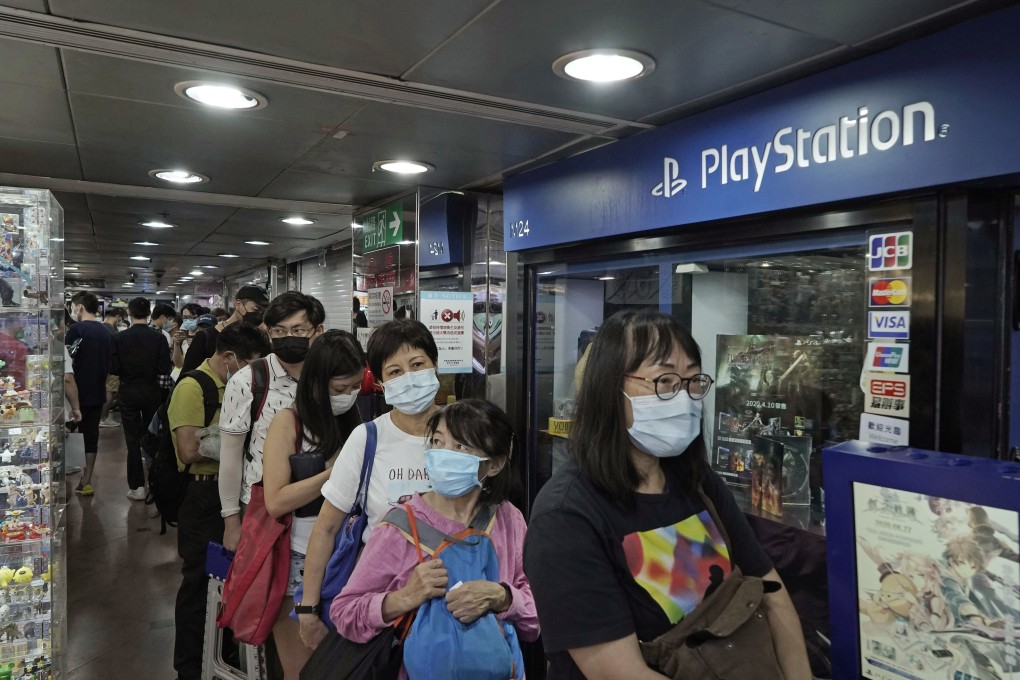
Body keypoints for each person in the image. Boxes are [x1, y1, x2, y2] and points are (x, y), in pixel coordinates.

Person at [523, 309, 811, 680]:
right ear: (608, 389)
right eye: (664, 380)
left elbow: (771, 593)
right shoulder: (565, 518)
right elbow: (621, 672)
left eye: (693, 380)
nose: (685, 397)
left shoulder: (696, 481)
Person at [332, 399, 540, 678]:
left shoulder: (508, 519)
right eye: (437, 442)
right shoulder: (399, 526)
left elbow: (538, 615)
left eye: (460, 447)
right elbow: (345, 613)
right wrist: (405, 597)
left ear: (494, 464)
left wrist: (502, 597)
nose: (443, 454)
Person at [297, 318, 442, 650]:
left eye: (417, 364)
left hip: (454, 601)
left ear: (435, 365)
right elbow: (326, 528)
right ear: (379, 382)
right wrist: (308, 609)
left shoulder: (467, 432)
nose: (408, 377)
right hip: (381, 609)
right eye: (394, 372)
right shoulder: (367, 439)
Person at [261, 330, 365, 678]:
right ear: (316, 382)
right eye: (340, 389)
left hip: (348, 558)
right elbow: (275, 501)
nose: (348, 397)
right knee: (302, 670)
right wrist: (333, 473)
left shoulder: (357, 425)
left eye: (354, 388)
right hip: (298, 560)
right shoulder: (287, 422)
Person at [171, 323, 271, 680]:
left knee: (234, 582)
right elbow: (187, 449)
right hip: (202, 497)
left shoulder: (242, 386)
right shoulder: (192, 386)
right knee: (199, 582)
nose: (254, 373)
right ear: (229, 358)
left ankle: (225, 654)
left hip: (237, 495)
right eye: (250, 364)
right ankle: (189, 668)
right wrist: (231, 445)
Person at [218, 291, 325, 553]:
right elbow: (230, 457)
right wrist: (231, 522)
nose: (288, 337)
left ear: (318, 330)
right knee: (264, 588)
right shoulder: (247, 381)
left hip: (322, 503)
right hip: (262, 507)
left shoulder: (330, 377)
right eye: (278, 331)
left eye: (298, 329)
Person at [111, 297, 173, 500]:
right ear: (149, 313)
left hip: (127, 391)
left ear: (129, 312)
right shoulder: (159, 338)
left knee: (132, 440)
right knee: (152, 437)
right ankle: (157, 483)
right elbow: (165, 371)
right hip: (151, 391)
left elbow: (113, 367)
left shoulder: (120, 338)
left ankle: (137, 486)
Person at [65, 291, 112, 496]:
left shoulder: (76, 330)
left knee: (66, 434)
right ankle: (86, 480)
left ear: (80, 308)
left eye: (74, 307)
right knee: (90, 436)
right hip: (97, 391)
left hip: (73, 393)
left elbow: (68, 363)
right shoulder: (107, 331)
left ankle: (60, 477)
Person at [182, 285, 269, 374]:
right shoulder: (205, 337)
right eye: (256, 309)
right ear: (238, 304)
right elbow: (188, 372)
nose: (259, 315)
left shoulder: (258, 339)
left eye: (263, 312)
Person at [99, 306, 124, 427]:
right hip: (111, 365)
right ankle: (103, 417)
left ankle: (104, 416)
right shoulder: (110, 329)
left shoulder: (103, 327)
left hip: (105, 364)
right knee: (110, 391)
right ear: (118, 317)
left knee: (110, 391)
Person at [172, 303, 206, 369]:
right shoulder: (182, 335)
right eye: (185, 317)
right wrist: (176, 344)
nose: (188, 320)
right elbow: (179, 364)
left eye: (192, 317)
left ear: (200, 317)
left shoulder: (205, 334)